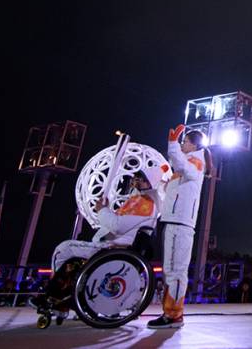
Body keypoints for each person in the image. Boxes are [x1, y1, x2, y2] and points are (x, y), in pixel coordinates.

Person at [30, 169, 162, 313]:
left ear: (148, 182)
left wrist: (101, 210)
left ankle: (55, 297)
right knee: (72, 260)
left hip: (115, 249)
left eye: (139, 177)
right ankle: (62, 297)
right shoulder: (139, 200)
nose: (135, 179)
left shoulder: (145, 203)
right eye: (135, 176)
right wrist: (106, 210)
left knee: (64, 249)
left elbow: (116, 226)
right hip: (113, 246)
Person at [147, 124, 207, 330]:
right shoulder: (183, 166)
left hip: (182, 223)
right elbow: (169, 193)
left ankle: (174, 314)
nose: (182, 144)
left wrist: (172, 146)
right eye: (181, 142)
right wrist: (162, 178)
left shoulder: (197, 162)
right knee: (169, 270)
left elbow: (183, 167)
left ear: (194, 145)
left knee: (177, 270)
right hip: (172, 221)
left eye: (185, 142)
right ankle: (170, 312)